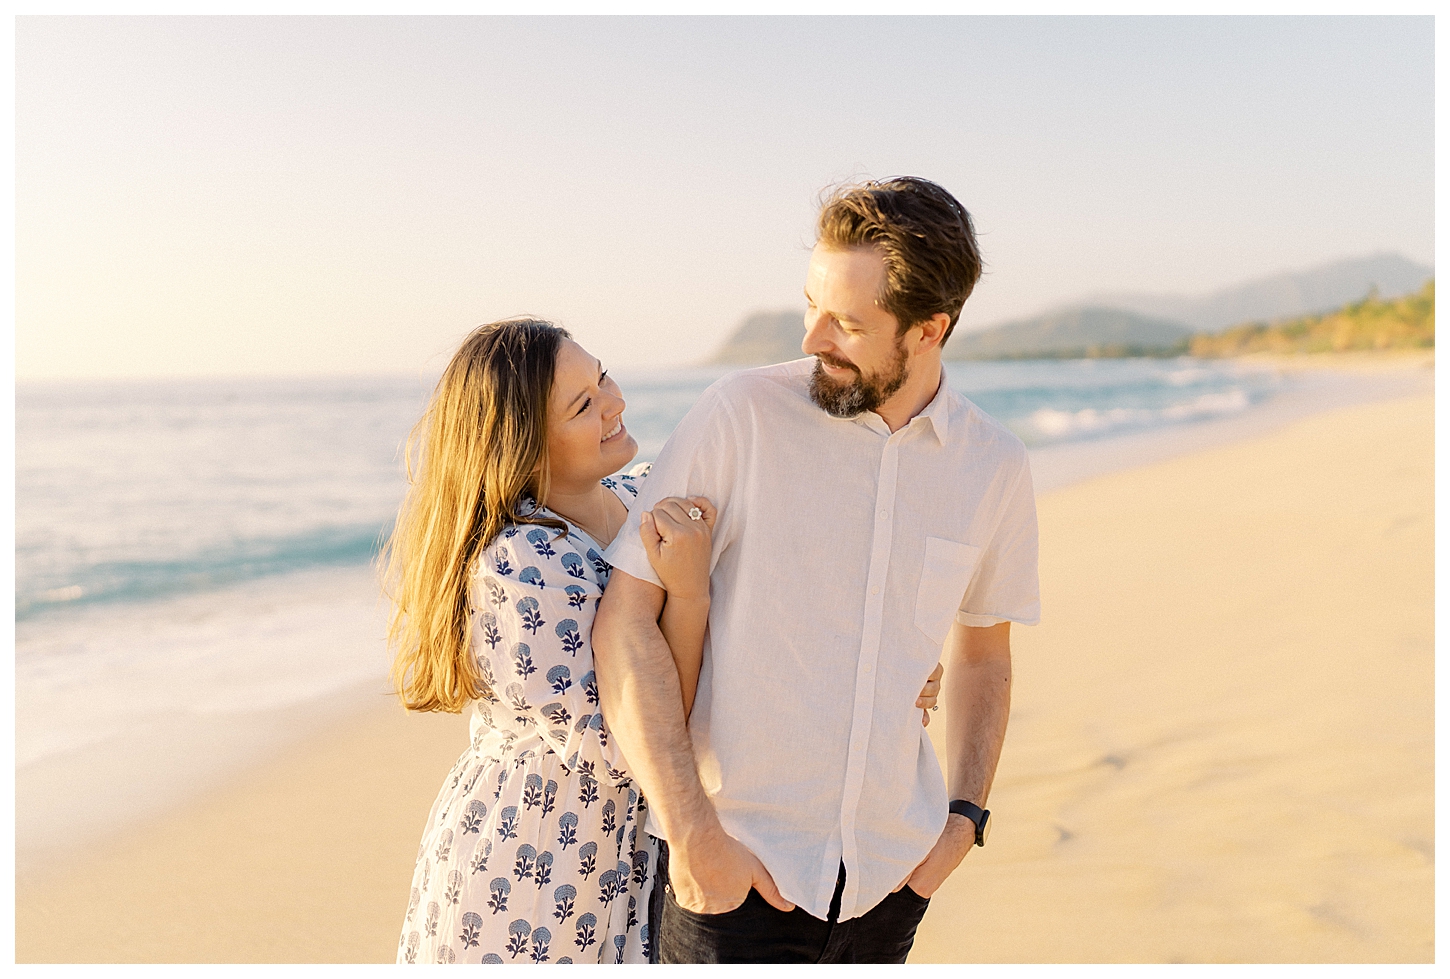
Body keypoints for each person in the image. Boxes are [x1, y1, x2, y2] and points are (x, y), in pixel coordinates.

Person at [383, 318, 943, 964]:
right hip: (536, 861)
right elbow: (635, 739)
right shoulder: (522, 564)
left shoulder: (642, 492)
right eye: (583, 405)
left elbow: (770, 601)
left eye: (602, 377)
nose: (614, 401)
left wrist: (887, 663)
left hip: (630, 852)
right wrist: (688, 593)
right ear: (526, 447)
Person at [593, 176, 1040, 964]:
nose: (813, 339)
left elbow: (983, 655)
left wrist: (964, 820)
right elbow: (626, 623)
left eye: (847, 323)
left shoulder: (993, 465)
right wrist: (692, 834)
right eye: (811, 305)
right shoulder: (740, 417)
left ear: (930, 328)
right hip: (732, 878)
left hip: (891, 880)